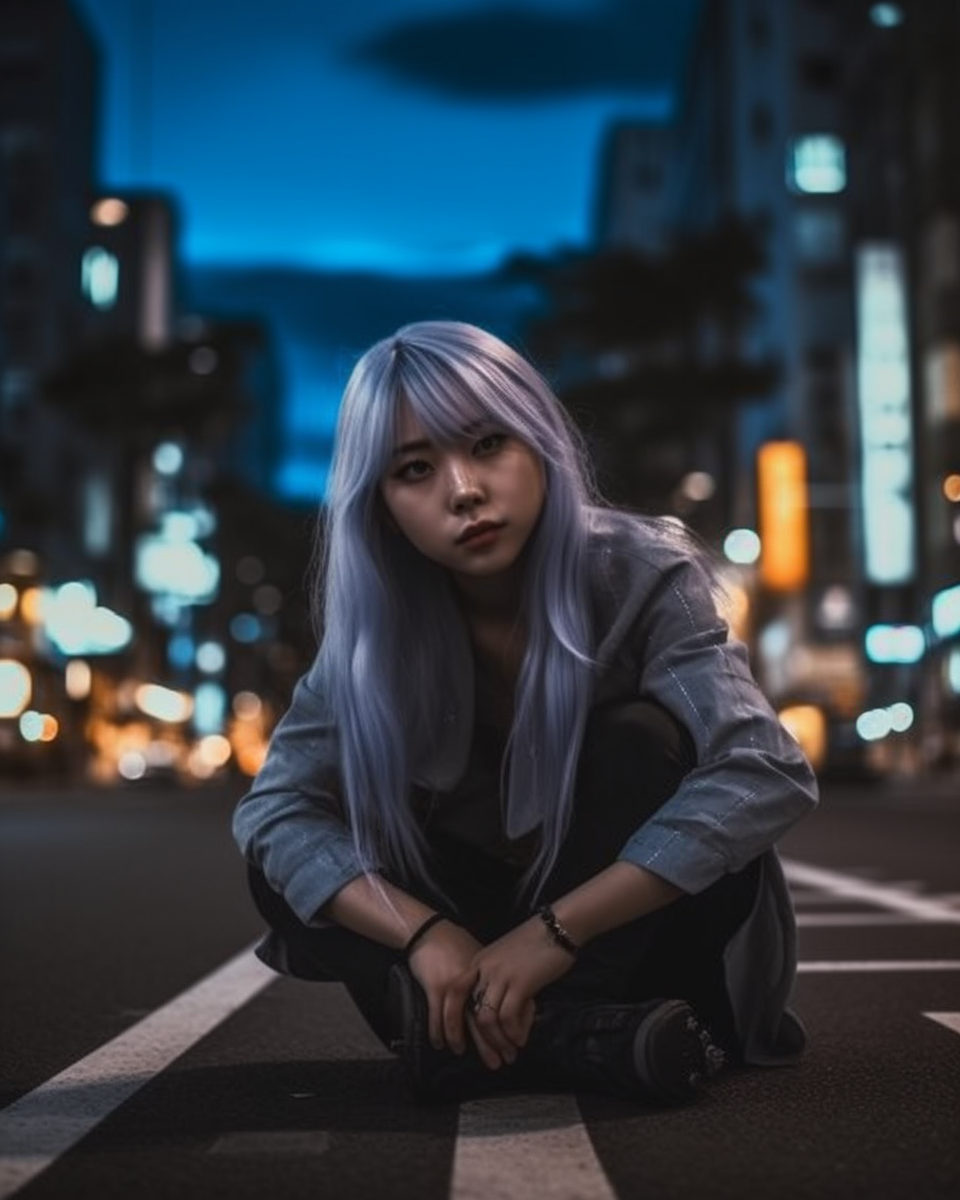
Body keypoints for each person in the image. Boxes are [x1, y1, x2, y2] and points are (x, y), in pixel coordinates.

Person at [233, 320, 818, 1105]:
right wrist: (425, 933)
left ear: (539, 443)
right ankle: (580, 1040)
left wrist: (555, 934)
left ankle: (467, 1043)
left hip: (645, 945)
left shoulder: (642, 575)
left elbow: (766, 769)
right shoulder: (377, 633)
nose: (463, 490)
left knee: (640, 739)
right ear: (381, 505)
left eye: (486, 446)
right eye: (415, 468)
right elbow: (275, 809)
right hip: (475, 945)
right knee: (289, 866)